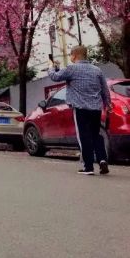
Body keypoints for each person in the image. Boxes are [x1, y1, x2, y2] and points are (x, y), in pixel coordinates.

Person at [48, 45, 112, 175]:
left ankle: (88, 167)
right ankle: (102, 160)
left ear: (75, 55)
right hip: (96, 108)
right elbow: (105, 89)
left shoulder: (72, 69)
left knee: (84, 136)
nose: (70, 58)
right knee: (96, 135)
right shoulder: (97, 70)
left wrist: (51, 66)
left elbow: (55, 76)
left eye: (71, 55)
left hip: (80, 108)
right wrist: (107, 104)